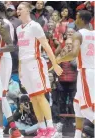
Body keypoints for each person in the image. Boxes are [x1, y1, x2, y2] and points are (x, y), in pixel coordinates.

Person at [16, 2, 63, 138]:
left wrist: (54, 64)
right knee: (33, 99)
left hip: (35, 64)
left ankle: (51, 128)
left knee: (40, 96)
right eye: (17, 9)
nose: (17, 11)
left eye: (20, 9)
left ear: (27, 11)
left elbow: (46, 46)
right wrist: (20, 69)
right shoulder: (19, 29)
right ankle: (42, 129)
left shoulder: (35, 26)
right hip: (24, 66)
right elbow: (21, 51)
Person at [55, 10, 94, 138]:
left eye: (76, 17)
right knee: (77, 104)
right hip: (90, 71)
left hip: (85, 72)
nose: (75, 20)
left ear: (82, 19)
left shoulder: (78, 34)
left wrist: (59, 59)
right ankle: (77, 135)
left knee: (86, 108)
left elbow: (73, 53)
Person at [0, 2, 24, 138]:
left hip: (3, 60)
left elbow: (11, 46)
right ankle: (0, 129)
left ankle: (11, 129)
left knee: (0, 95)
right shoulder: (2, 23)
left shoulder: (5, 24)